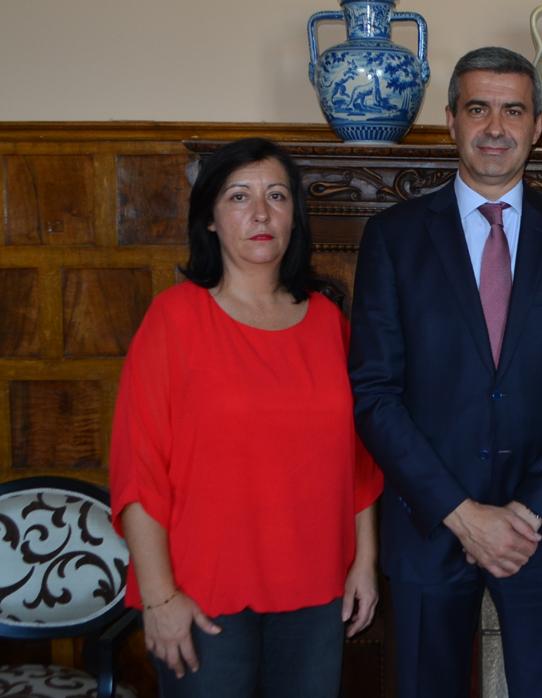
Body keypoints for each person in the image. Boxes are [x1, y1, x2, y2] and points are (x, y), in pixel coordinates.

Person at [348, 46, 542, 698]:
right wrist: (460, 512)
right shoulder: (394, 238)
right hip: (428, 527)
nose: (495, 128)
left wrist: (527, 510)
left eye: (513, 111)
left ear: (537, 126)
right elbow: (374, 393)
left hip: (541, 532)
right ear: (450, 120)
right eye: (479, 109)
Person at [109, 137, 383, 698]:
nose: (260, 213)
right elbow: (138, 471)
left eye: (276, 196)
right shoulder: (175, 320)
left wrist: (364, 563)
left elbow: (357, 460)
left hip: (316, 589)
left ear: (294, 217)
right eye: (239, 196)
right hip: (203, 596)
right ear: (210, 217)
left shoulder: (328, 321)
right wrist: (160, 599)